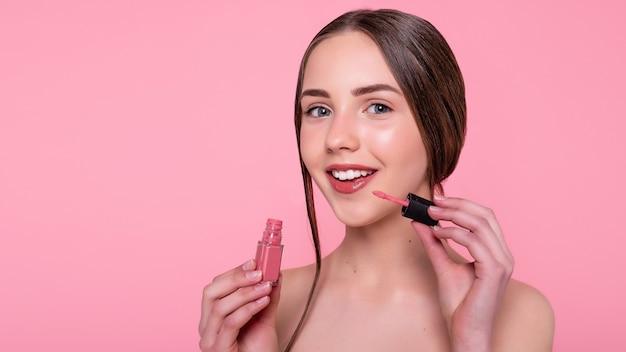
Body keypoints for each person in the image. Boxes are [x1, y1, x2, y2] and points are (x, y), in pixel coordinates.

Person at [199, 9, 554, 351]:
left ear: (440, 127)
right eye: (319, 110)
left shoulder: (517, 313)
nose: (337, 138)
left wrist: (472, 342)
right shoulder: (261, 312)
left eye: (378, 107)